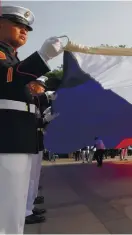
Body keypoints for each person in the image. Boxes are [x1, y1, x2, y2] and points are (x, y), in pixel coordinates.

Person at [0, 5, 64, 234]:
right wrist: (43, 56)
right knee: (6, 208)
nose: (24, 30)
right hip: (7, 138)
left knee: (14, 207)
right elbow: (7, 77)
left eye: (27, 27)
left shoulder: (11, 56)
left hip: (19, 138)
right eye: (17, 24)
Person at [25, 77, 58, 225]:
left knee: (34, 178)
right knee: (29, 179)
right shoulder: (28, 100)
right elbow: (30, 121)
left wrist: (45, 119)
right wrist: (45, 120)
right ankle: (26, 211)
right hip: (30, 141)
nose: (43, 89)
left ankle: (29, 207)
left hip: (36, 141)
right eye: (41, 87)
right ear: (32, 86)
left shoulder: (35, 102)